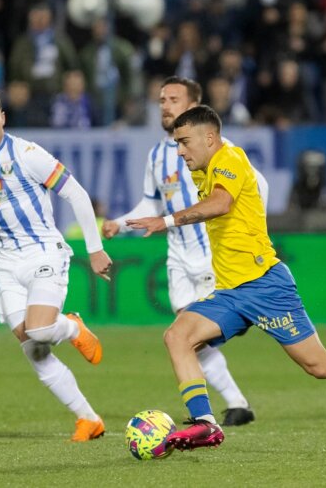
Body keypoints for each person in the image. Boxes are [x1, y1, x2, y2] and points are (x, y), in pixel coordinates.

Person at [126, 105, 326, 451]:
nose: (179, 151)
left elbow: (221, 204)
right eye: (176, 143)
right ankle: (206, 424)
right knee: (177, 336)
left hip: (266, 285)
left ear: (209, 137)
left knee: (320, 365)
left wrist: (166, 221)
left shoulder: (230, 159)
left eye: (184, 142)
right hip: (230, 292)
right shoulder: (201, 170)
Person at [0, 86, 113, 442]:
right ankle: (88, 418)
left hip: (43, 253)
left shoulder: (27, 154)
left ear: (3, 116)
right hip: (4, 264)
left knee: (39, 330)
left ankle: (71, 328)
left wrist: (94, 249)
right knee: (33, 347)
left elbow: (76, 193)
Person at [103, 76, 263, 427]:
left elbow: (254, 189)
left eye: (173, 99)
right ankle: (236, 405)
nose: (164, 105)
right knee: (189, 339)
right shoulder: (159, 154)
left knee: (189, 334)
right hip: (178, 258)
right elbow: (150, 201)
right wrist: (119, 222)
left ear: (193, 105)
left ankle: (226, 405)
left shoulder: (220, 150)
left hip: (210, 253)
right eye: (161, 99)